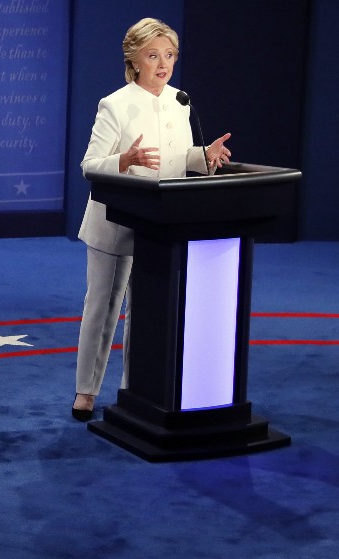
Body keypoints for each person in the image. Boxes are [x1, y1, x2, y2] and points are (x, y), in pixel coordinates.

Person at [72, 18, 232, 421]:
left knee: (146, 314)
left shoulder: (181, 102)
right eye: (154, 55)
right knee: (103, 309)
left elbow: (179, 159)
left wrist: (204, 155)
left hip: (161, 226)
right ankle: (86, 392)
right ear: (135, 59)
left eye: (170, 55)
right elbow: (89, 165)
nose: (164, 63)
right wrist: (123, 160)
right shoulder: (115, 104)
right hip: (115, 224)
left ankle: (134, 391)